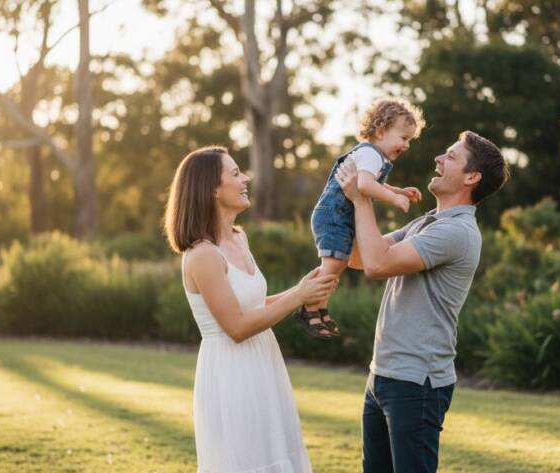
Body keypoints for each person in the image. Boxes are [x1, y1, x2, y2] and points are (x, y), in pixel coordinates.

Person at [336, 131, 510, 473]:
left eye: (450, 156)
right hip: (383, 375)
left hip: (417, 384)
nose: (438, 159)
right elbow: (358, 257)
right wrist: (354, 194)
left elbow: (377, 265)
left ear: (471, 177)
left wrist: (362, 199)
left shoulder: (456, 232)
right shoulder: (425, 223)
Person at [164, 146, 338, 473]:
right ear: (211, 189)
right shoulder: (203, 255)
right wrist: (298, 295)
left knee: (277, 452)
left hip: (262, 362)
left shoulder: (239, 238)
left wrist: (305, 291)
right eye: (234, 173)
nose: (245, 178)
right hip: (231, 373)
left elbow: (254, 305)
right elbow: (237, 326)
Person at [297, 98, 425, 338]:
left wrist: (399, 190)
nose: (407, 145)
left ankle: (320, 308)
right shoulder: (370, 154)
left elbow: (372, 183)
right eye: (404, 138)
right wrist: (393, 199)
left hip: (338, 216)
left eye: (410, 140)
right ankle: (308, 308)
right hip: (334, 216)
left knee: (337, 265)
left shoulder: (374, 156)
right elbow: (365, 185)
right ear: (380, 131)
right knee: (332, 265)